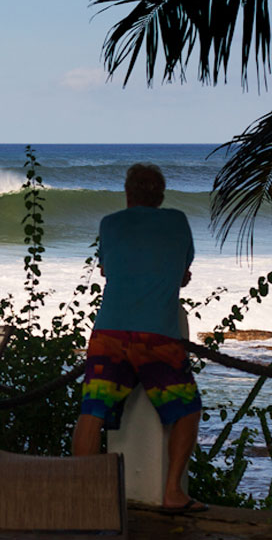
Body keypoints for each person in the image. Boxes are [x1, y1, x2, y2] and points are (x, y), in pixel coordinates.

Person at [71, 163, 204, 513]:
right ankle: (173, 492)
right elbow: (182, 275)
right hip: (157, 335)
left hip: (109, 332)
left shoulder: (110, 224)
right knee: (187, 409)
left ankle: (84, 497)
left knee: (92, 411)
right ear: (160, 196)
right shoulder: (177, 222)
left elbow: (107, 269)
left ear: (127, 193)